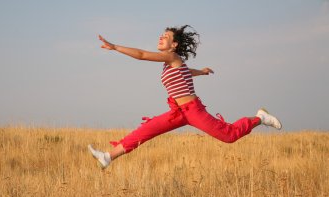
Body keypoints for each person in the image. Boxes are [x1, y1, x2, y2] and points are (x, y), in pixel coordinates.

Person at [88, 25, 282, 169]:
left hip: (193, 111)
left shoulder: (171, 57)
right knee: (146, 130)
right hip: (178, 112)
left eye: (166, 37)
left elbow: (141, 55)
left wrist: (114, 47)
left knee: (229, 135)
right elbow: (186, 72)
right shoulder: (172, 63)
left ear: (174, 45)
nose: (161, 38)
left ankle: (260, 118)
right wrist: (203, 72)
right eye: (161, 35)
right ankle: (108, 157)